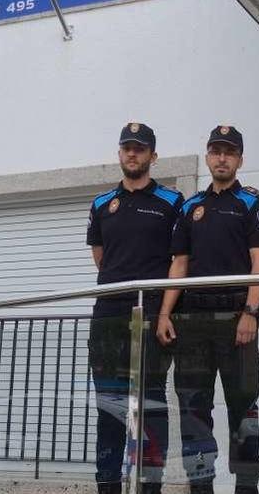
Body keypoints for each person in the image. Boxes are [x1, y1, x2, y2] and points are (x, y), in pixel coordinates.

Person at [156, 125, 259, 494]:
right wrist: (163, 313)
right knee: (193, 413)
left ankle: (246, 487)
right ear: (208, 157)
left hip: (236, 322)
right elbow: (179, 263)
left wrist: (251, 313)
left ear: (240, 159)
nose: (222, 157)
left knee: (244, 411)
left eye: (230, 152)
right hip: (191, 324)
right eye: (216, 151)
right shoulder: (190, 206)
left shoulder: (251, 202)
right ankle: (200, 487)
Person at [86, 122, 183, 494]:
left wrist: (162, 312)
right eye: (127, 147)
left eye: (140, 148)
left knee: (151, 410)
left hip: (153, 319)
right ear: (120, 153)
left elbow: (180, 258)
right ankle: (108, 485)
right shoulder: (100, 204)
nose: (132, 153)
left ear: (152, 156)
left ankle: (150, 488)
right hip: (109, 319)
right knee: (109, 411)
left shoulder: (173, 202)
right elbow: (102, 258)